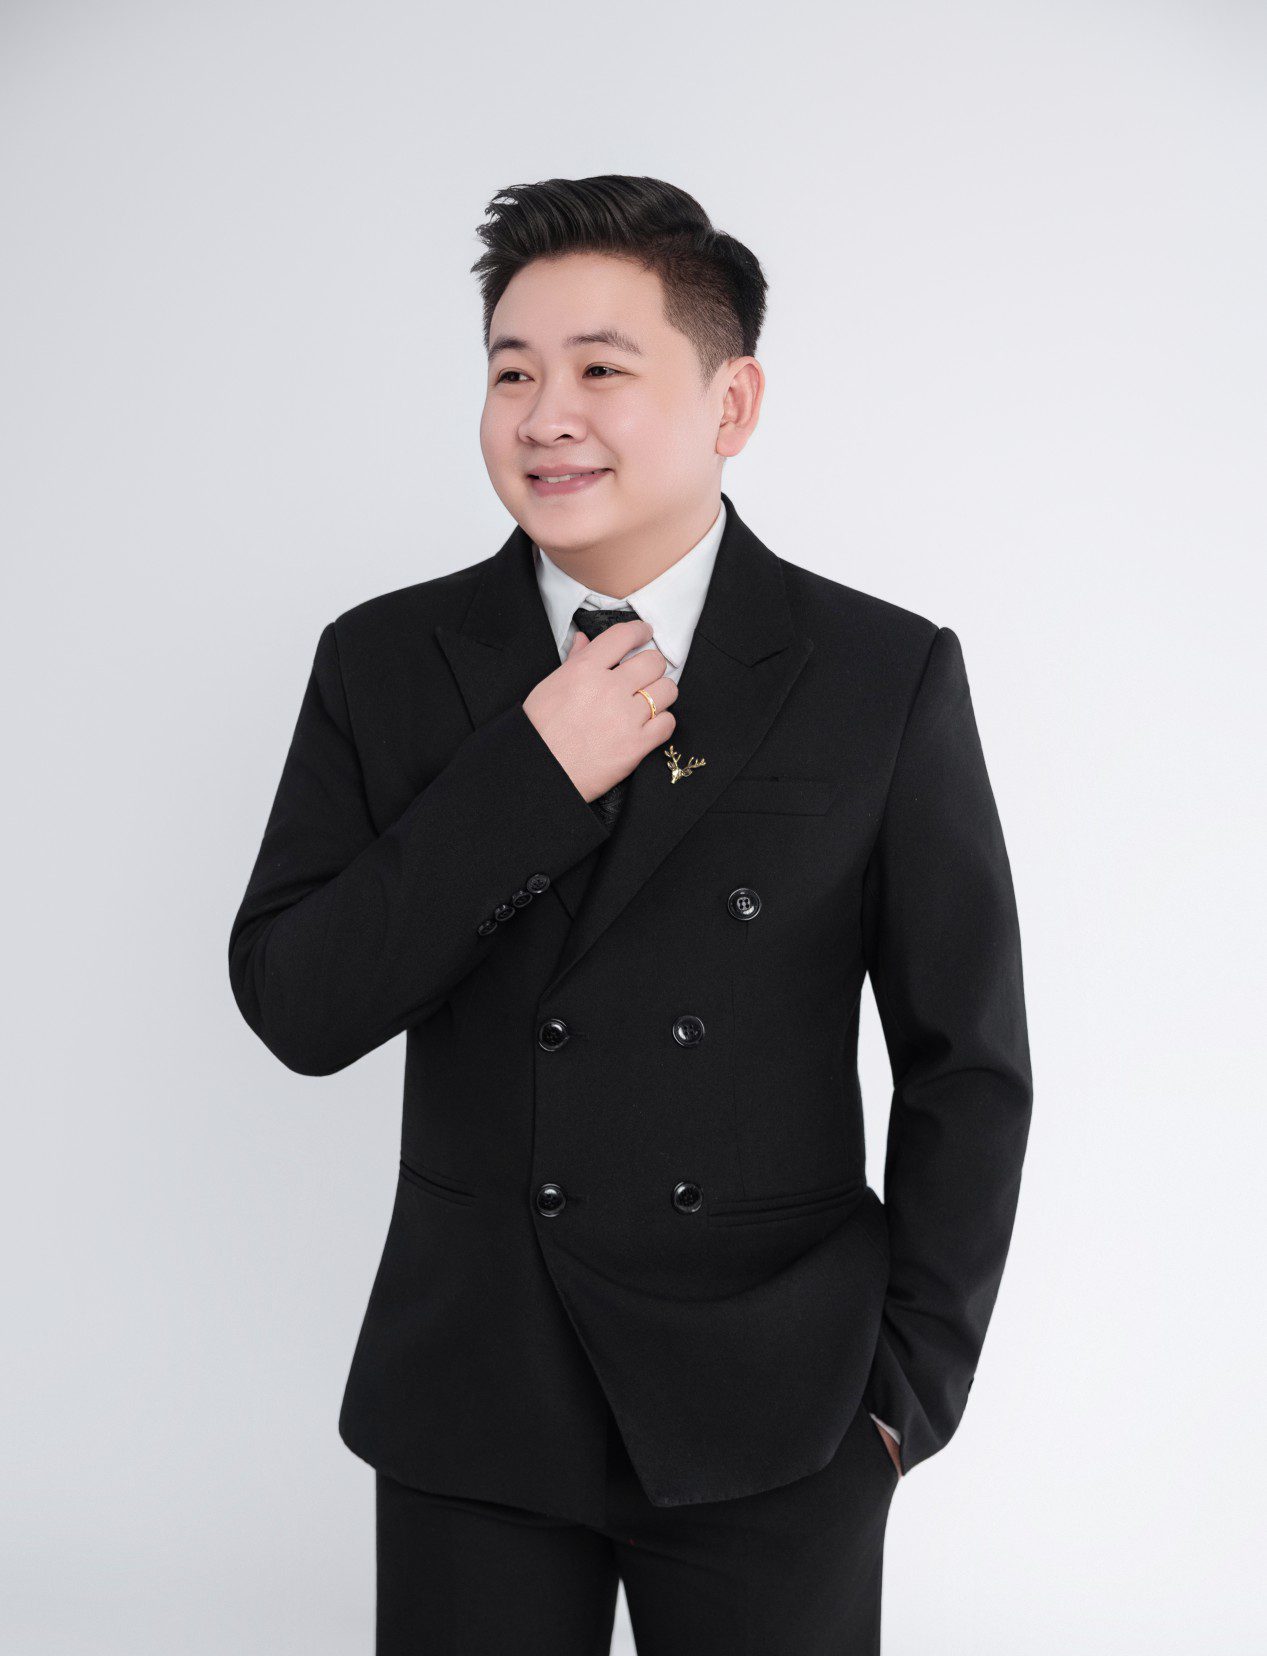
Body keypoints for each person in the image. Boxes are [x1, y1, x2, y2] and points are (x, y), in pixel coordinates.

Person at [228, 174, 1033, 1655]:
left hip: (783, 1408)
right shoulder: (384, 660)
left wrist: (902, 1399)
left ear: (733, 403)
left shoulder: (880, 672)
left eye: (601, 369)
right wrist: (528, 778)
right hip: (474, 1400)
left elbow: (966, 1063)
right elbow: (298, 1002)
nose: (546, 417)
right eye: (512, 374)